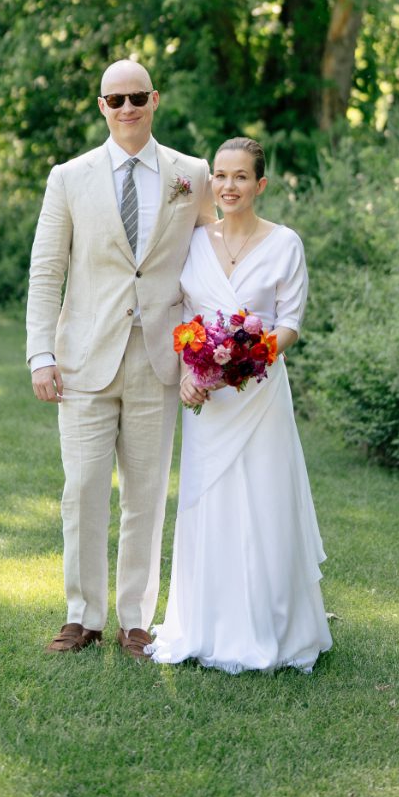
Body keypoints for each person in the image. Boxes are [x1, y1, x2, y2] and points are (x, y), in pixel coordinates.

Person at [26, 60, 215, 658]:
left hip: (160, 358)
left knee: (146, 494)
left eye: (138, 97)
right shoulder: (69, 177)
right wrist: (40, 354)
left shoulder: (193, 174)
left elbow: (212, 262)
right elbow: (47, 270)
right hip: (83, 358)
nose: (127, 108)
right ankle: (82, 616)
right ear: (101, 106)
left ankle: (137, 619)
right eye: (116, 99)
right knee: (82, 489)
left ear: (154, 99)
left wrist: (213, 346)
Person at [147, 137, 332, 674]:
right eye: (220, 176)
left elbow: (291, 324)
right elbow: (183, 315)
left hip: (258, 394)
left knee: (263, 499)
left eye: (241, 177)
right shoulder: (195, 241)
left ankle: (273, 628)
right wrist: (191, 371)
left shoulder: (285, 244)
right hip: (206, 399)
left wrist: (243, 362)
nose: (228, 186)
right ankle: (205, 626)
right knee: (209, 503)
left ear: (260, 185)